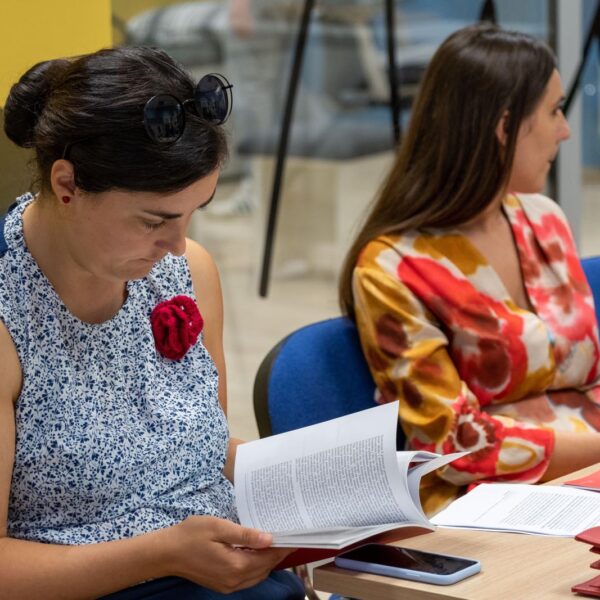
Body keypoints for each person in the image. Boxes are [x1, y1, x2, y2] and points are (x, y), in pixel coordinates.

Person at [0, 46, 305, 599]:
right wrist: (161, 553)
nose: (177, 246)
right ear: (67, 186)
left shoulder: (186, 272)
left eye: (193, 214)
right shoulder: (8, 316)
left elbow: (198, 450)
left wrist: (313, 482)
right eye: (153, 221)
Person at [339, 23, 600, 517]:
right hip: (488, 506)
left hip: (583, 479)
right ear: (504, 127)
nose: (565, 131)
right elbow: (455, 444)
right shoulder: (390, 269)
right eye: (554, 111)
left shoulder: (543, 219)